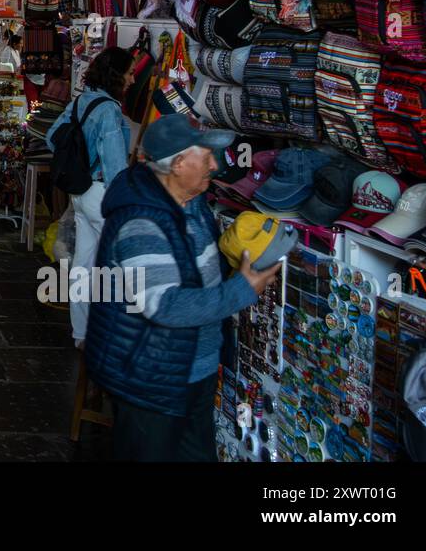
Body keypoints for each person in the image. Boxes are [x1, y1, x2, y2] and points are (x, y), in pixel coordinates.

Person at [86, 114, 280, 462]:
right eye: (206, 156)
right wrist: (242, 289)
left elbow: (193, 271)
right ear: (178, 164)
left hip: (191, 369)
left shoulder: (191, 204)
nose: (215, 164)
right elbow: (164, 305)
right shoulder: (141, 222)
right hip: (151, 377)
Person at [44, 46, 134, 347]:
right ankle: (115, 335)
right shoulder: (109, 110)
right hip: (101, 195)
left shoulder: (82, 100)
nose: (133, 79)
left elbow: (52, 135)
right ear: (117, 76)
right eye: (130, 73)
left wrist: (80, 162)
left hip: (80, 194)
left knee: (83, 264)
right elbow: (116, 166)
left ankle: (81, 333)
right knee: (123, 264)